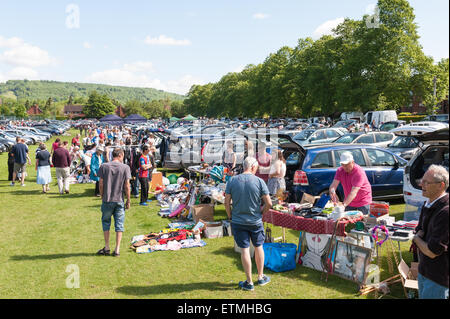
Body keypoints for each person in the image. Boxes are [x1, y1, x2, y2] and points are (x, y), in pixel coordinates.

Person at [224, 157, 273, 291]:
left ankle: (249, 282)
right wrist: (262, 212)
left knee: (244, 250)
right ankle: (261, 277)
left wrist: (230, 216)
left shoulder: (232, 180)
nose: (256, 169)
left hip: (238, 221)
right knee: (258, 247)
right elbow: (269, 203)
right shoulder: (259, 181)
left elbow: (226, 202)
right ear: (252, 167)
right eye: (256, 167)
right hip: (255, 220)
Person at [412, 165, 449, 299]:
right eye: (422, 180)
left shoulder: (445, 212)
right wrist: (419, 236)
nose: (422, 184)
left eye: (427, 182)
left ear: (441, 185)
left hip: (438, 278)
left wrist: (416, 239)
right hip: (424, 270)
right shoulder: (428, 203)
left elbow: (432, 251)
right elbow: (419, 229)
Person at [96, 148, 131, 257]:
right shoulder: (125, 167)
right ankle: (117, 249)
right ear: (120, 155)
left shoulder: (104, 166)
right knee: (119, 225)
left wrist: (102, 196)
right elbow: (127, 186)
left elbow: (100, 183)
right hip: (119, 199)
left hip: (107, 199)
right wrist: (128, 200)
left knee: (106, 223)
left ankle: (107, 247)